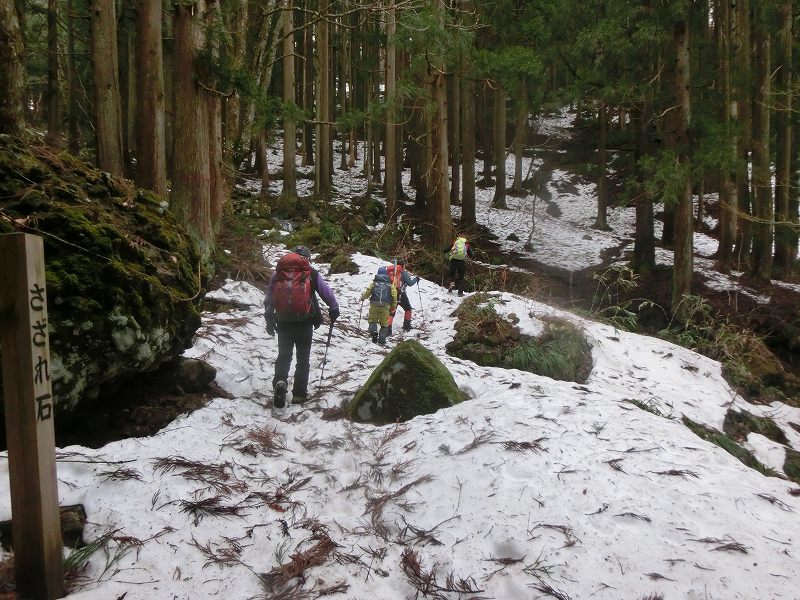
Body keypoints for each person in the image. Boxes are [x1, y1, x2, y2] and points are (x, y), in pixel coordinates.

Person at [264, 245, 339, 416]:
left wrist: (269, 320)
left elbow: (268, 298)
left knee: (284, 355)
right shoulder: (310, 273)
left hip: (282, 321)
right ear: (307, 258)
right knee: (303, 358)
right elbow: (326, 293)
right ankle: (299, 394)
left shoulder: (279, 273)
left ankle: (280, 382)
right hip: (304, 322)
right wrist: (333, 307)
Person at [360, 266, 397, 346]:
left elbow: (368, 292)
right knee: (384, 323)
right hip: (385, 306)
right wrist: (393, 306)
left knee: (372, 320)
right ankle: (381, 340)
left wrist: (363, 298)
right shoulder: (390, 284)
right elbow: (394, 295)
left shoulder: (374, 283)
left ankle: (374, 332)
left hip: (374, 304)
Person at [386, 259, 419, 335]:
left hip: (391, 293)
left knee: (392, 310)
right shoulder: (403, 273)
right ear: (403, 265)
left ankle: (388, 329)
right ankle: (406, 326)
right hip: (401, 294)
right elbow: (410, 283)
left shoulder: (392, 272)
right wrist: (416, 279)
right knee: (408, 309)